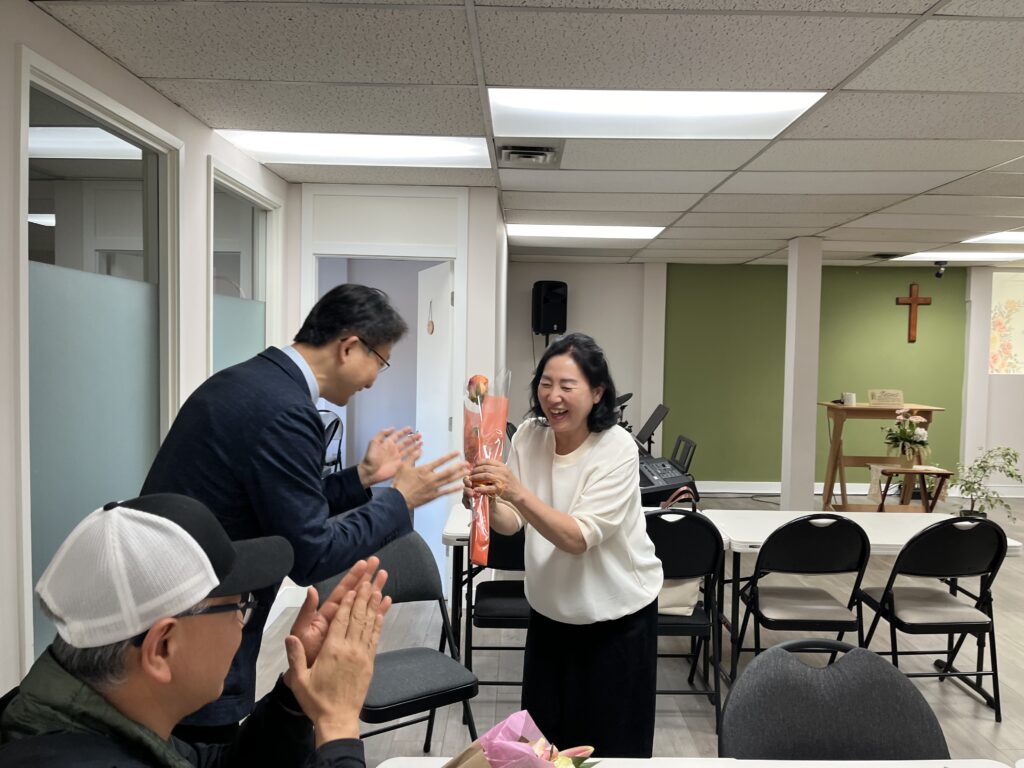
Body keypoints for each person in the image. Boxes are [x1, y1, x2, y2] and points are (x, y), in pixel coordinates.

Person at [141, 283, 468, 739]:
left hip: (168, 614)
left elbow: (281, 503)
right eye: (380, 361)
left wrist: (361, 477)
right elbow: (312, 553)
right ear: (349, 347)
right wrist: (400, 500)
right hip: (195, 633)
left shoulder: (249, 381)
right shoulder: (287, 411)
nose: (374, 379)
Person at [0, 493, 390, 767]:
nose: (243, 625)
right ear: (163, 647)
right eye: (241, 607)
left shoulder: (92, 720)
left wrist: (293, 699)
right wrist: (337, 726)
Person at [468, 333, 663, 758]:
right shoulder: (529, 437)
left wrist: (515, 491)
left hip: (616, 624)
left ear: (597, 393)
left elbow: (578, 537)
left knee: (610, 751)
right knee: (544, 752)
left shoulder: (616, 449)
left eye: (567, 386)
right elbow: (512, 521)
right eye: (545, 383)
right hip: (550, 618)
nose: (553, 396)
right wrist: (487, 500)